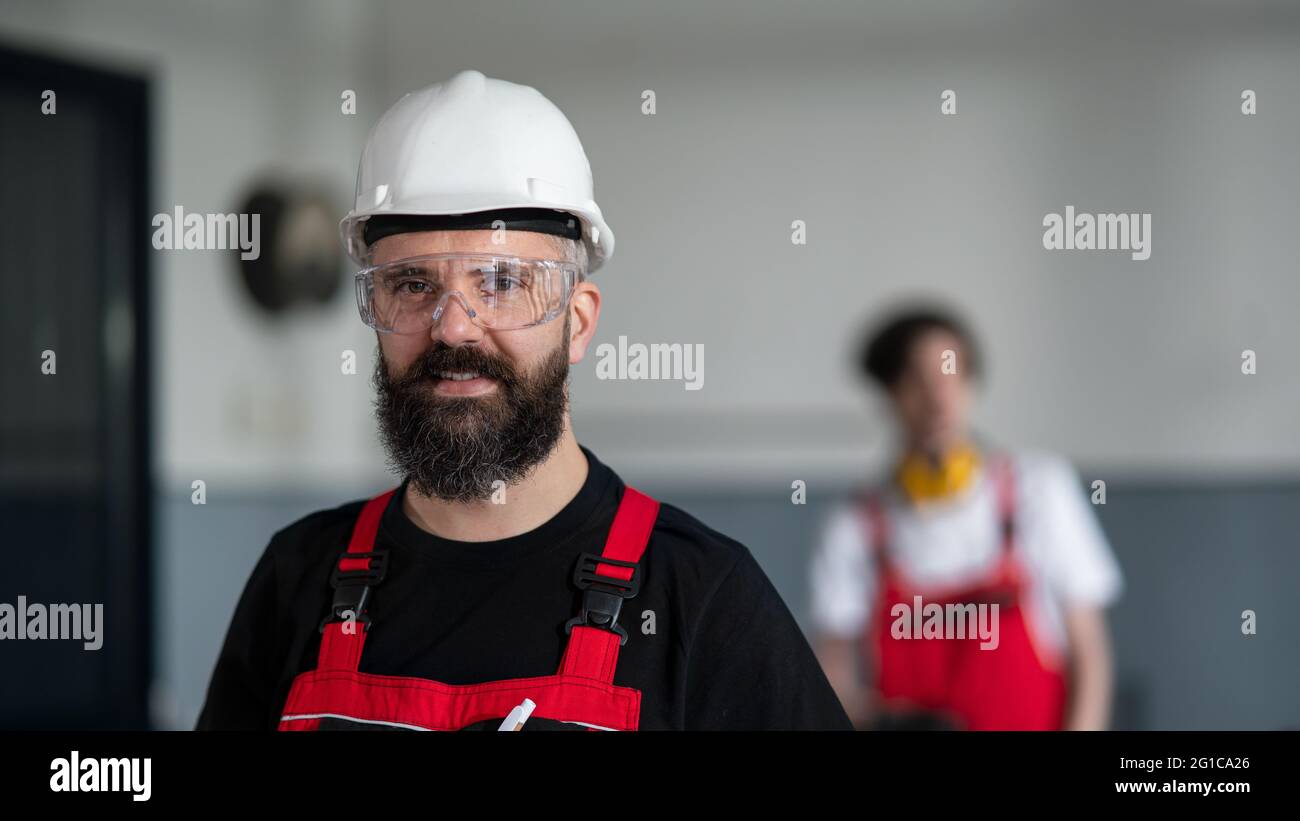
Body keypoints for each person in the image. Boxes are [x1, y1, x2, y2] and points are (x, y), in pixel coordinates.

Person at [196, 70, 850, 731]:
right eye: (413, 283)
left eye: (503, 281)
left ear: (580, 322)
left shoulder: (703, 600)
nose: (453, 326)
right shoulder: (298, 578)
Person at [810, 306, 1122, 730]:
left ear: (972, 384)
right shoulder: (857, 526)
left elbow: (1090, 655)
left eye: (950, 375)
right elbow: (833, 676)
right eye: (915, 381)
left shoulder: (1038, 491)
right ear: (890, 395)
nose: (938, 397)